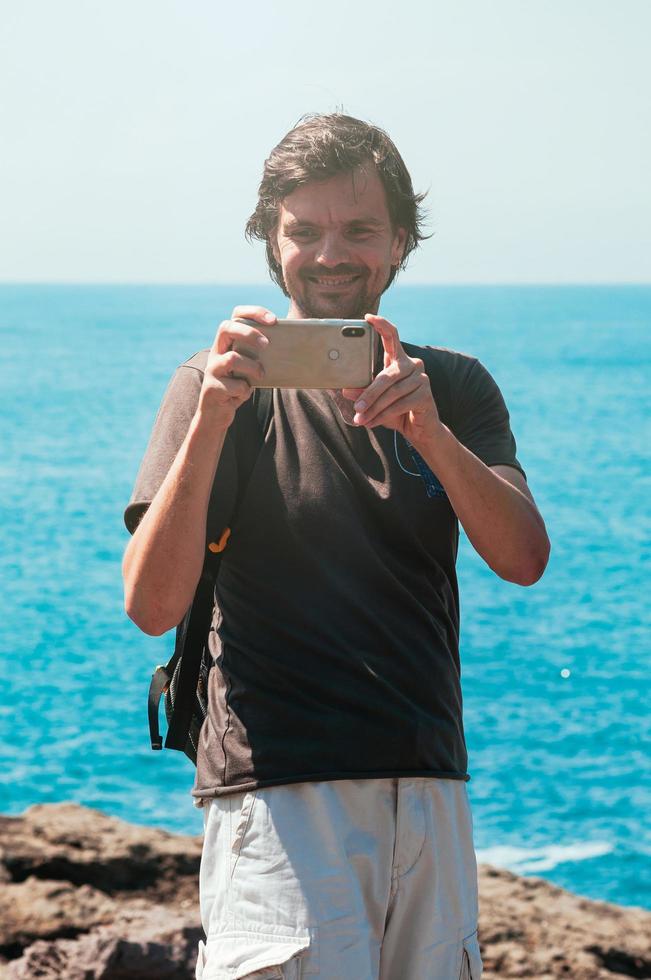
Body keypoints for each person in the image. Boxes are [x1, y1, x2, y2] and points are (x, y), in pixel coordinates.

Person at [122, 113, 550, 980]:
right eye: (303, 231)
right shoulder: (211, 390)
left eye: (358, 229)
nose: (330, 255)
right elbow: (151, 604)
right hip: (275, 790)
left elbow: (523, 557)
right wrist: (211, 418)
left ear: (398, 241)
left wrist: (429, 433)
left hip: (427, 784)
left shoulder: (454, 387)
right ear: (269, 241)